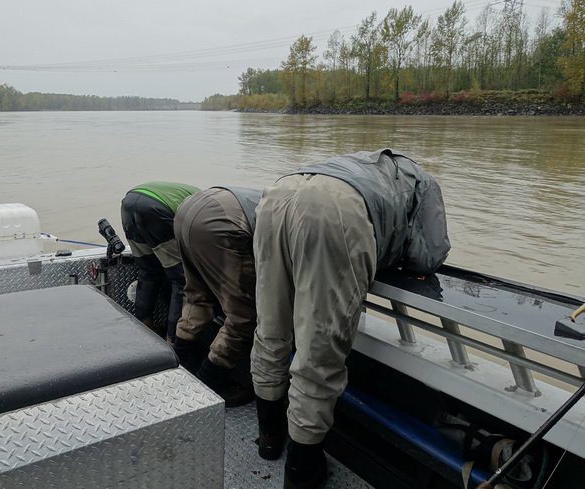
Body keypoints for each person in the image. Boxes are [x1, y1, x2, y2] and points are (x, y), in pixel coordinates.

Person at [250, 149, 450, 489]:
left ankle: (269, 438)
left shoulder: (354, 163)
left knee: (271, 329)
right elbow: (427, 254)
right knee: (319, 353)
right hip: (335, 211)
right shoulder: (422, 179)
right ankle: (302, 469)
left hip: (276, 195)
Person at [172, 186, 261, 407]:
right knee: (243, 317)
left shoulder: (279, 197)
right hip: (224, 221)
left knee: (198, 295)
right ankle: (210, 383)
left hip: (189, 210)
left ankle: (181, 365)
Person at [120, 181, 200, 344]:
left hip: (129, 202)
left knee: (148, 274)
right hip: (155, 208)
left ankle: (143, 333)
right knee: (181, 281)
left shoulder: (197, 196)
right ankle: (172, 341)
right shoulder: (209, 208)